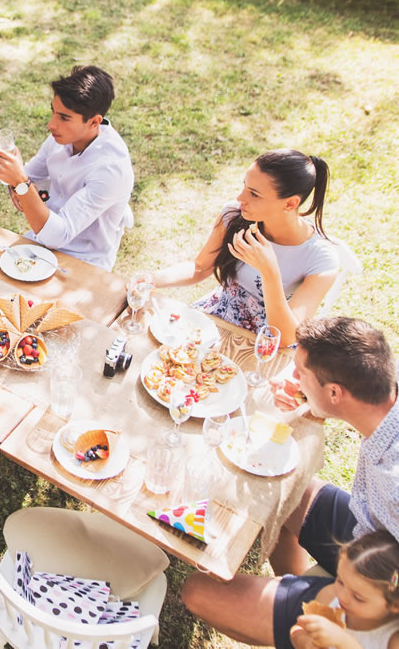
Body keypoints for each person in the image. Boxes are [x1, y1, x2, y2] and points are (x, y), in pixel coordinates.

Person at [181, 316, 399, 649]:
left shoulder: (393, 482)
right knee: (285, 488)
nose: (293, 378)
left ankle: (303, 608)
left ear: (335, 392)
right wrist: (312, 401)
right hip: (368, 533)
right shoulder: (385, 403)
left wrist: (350, 627)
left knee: (197, 591)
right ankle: (297, 585)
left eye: (300, 373)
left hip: (381, 590)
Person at [151, 149, 338, 343]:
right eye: (245, 187)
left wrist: (269, 271)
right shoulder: (235, 216)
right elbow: (200, 267)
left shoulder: (321, 258)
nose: (240, 198)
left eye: (254, 194)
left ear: (290, 204)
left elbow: (287, 337)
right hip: (215, 320)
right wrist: (152, 279)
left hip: (266, 344)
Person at [0, 65, 133, 271]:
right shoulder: (61, 138)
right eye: (53, 112)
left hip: (85, 262)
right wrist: (18, 182)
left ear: (94, 122)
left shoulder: (111, 170)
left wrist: (21, 184)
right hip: (42, 242)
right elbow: (27, 179)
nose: (51, 125)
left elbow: (59, 234)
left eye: (64, 118)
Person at [288, 530, 399, 649]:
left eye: (357, 597)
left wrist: (343, 642)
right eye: (340, 582)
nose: (342, 596)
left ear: (395, 605)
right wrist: (305, 642)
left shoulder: (393, 639)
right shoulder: (330, 598)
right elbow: (298, 628)